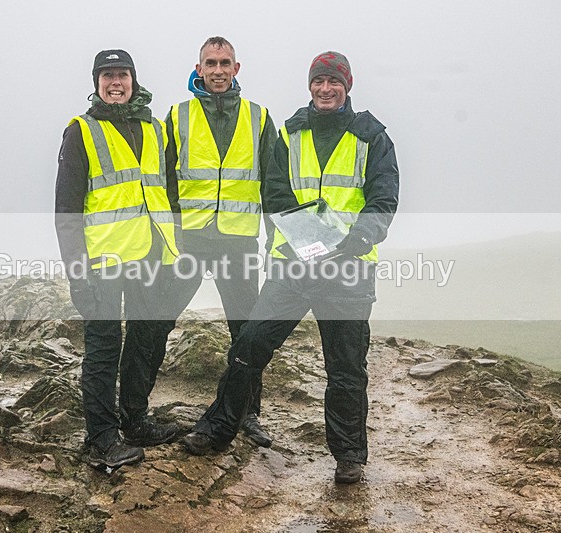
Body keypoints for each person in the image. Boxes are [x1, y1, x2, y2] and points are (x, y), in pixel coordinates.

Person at [180, 51, 400, 484]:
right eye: (319, 81)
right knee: (249, 346)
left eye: (333, 82)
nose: (325, 89)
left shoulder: (373, 137)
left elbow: (383, 198)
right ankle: (218, 428)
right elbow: (275, 193)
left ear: (347, 86)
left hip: (348, 269)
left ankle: (349, 456)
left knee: (346, 368)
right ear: (310, 85)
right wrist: (312, 242)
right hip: (293, 266)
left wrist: (357, 240)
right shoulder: (291, 133)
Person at [127, 36, 278, 448]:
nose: (217, 70)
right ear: (199, 68)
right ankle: (136, 416)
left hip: (238, 242)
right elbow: (163, 180)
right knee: (156, 323)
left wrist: (276, 244)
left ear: (236, 68)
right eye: (210, 63)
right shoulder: (178, 116)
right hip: (188, 242)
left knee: (246, 334)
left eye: (224, 63)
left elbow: (274, 185)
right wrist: (167, 234)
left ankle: (248, 414)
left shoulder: (259, 118)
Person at [55, 49, 181, 470]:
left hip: (150, 256)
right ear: (96, 83)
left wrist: (173, 251)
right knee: (104, 349)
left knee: (145, 341)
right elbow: (67, 211)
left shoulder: (156, 129)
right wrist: (77, 274)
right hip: (102, 262)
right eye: (107, 75)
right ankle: (102, 438)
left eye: (122, 75)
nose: (115, 83)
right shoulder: (81, 131)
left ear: (133, 80)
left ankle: (135, 420)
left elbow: (169, 195)